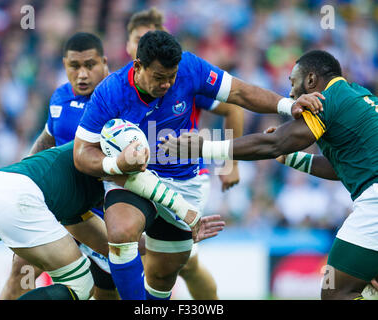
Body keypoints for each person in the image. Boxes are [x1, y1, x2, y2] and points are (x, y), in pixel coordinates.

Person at [73, 30, 322, 300]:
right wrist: (117, 164)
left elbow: (238, 94)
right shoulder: (111, 92)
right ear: (137, 66)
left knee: (163, 275)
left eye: (171, 77)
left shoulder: (191, 68)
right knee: (121, 234)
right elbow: (82, 153)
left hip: (184, 182)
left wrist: (288, 105)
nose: (167, 84)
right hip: (133, 181)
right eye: (159, 77)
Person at [160, 49, 378, 300]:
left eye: (293, 83)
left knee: (335, 293)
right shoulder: (360, 96)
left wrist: (203, 147)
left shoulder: (328, 100)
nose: (292, 93)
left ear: (310, 80)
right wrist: (292, 158)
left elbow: (274, 143)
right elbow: (342, 168)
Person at [0, 139, 223, 300]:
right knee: (80, 285)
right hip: (20, 198)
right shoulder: (107, 162)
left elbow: (106, 244)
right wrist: (187, 217)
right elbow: (143, 182)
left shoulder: (73, 203)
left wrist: (169, 242)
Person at [125, 7, 244, 300]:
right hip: (140, 179)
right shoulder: (118, 85)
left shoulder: (181, 78)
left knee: (182, 265)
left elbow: (233, 107)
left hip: (184, 179)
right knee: (145, 253)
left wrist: (230, 164)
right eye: (138, 38)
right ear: (130, 46)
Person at [0, 32, 114, 300]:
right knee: (21, 269)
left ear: (105, 63)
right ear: (65, 65)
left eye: (90, 65)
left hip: (105, 220)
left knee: (105, 293)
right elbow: (46, 138)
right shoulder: (59, 97)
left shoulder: (116, 100)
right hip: (63, 213)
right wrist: (22, 175)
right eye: (75, 66)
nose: (82, 74)